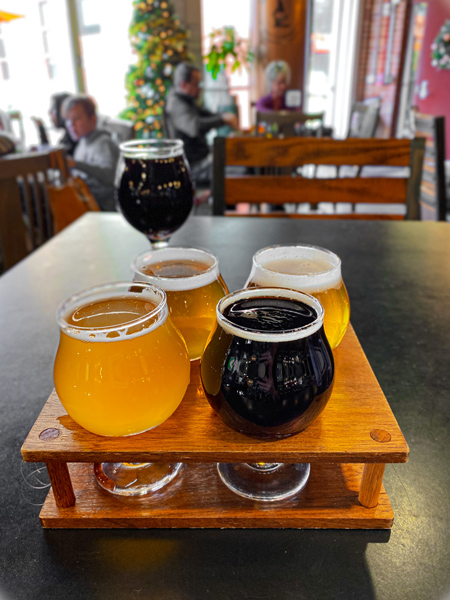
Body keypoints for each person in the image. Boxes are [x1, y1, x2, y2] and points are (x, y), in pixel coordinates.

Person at [165, 62, 238, 185]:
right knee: (239, 173)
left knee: (238, 164)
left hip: (202, 160)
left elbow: (206, 114)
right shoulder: (176, 104)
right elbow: (195, 127)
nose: (200, 88)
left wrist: (223, 116)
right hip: (190, 167)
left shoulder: (187, 101)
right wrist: (222, 119)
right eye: (197, 84)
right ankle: (219, 203)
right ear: (183, 85)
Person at [63, 95, 120, 211]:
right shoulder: (82, 143)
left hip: (104, 208)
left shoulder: (103, 143)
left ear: (93, 119)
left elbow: (109, 176)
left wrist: (76, 164)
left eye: (77, 118)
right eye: (68, 120)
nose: (72, 125)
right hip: (88, 204)